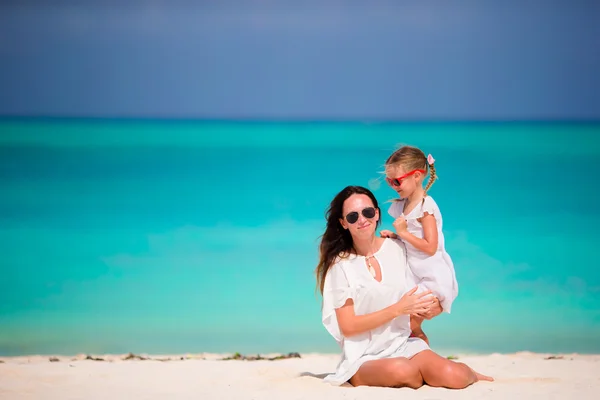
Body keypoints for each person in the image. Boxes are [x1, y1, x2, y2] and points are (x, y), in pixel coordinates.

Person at [316, 185, 492, 388]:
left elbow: (432, 275)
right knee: (403, 371)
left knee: (454, 376)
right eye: (353, 216)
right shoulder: (340, 265)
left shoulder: (399, 248)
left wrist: (434, 309)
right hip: (364, 355)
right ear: (343, 223)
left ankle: (461, 371)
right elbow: (348, 326)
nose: (362, 219)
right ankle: (363, 375)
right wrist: (398, 309)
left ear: (377, 213)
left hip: (403, 343)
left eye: (367, 212)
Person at [379, 146, 458, 345]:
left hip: (431, 273)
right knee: (403, 318)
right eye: (389, 181)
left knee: (412, 322)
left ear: (416, 175)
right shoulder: (403, 205)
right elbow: (413, 240)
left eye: (397, 180)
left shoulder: (425, 208)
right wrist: (397, 237)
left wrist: (404, 233)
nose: (393, 185)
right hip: (413, 270)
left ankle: (423, 356)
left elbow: (431, 246)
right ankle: (412, 357)